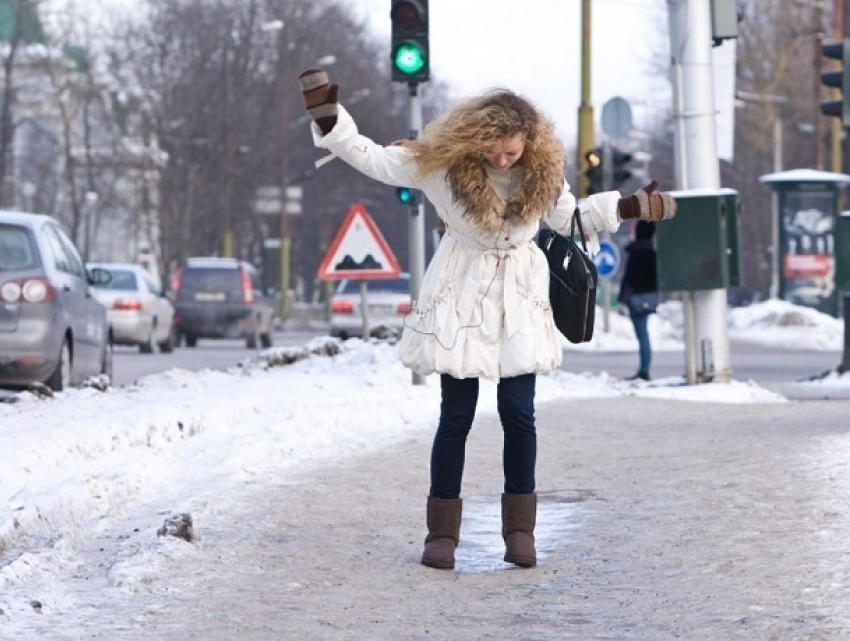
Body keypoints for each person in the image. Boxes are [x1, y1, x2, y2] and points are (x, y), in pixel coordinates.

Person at [298, 68, 676, 570]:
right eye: (494, 150)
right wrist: (330, 118)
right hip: (462, 294)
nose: (503, 159)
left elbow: (570, 217)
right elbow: (377, 160)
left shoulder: (543, 171)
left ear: (527, 142)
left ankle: (520, 532)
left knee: (520, 415)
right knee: (455, 416)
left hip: (519, 299)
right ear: (475, 140)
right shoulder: (442, 165)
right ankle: (442, 535)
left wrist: (629, 205)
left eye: (512, 151)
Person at [619, 220, 659, 381]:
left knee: (642, 335)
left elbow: (629, 279)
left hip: (636, 299)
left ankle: (644, 370)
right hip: (648, 297)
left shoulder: (636, 253)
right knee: (644, 334)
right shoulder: (652, 253)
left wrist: (622, 299)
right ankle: (644, 368)